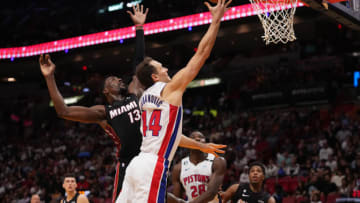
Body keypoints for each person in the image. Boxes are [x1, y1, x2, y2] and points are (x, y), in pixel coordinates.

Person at [116, 0, 231, 202]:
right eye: (161, 68)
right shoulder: (169, 90)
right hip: (152, 167)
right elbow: (201, 55)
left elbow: (170, 134)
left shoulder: (143, 97)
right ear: (155, 77)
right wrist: (215, 21)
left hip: (136, 165)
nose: (167, 69)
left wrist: (201, 146)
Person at [40, 5, 148, 203]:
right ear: (106, 90)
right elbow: (63, 111)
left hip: (148, 159)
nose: (119, 80)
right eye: (113, 79)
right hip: (127, 164)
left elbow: (140, 65)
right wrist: (49, 78)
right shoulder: (103, 112)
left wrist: (139, 29)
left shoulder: (135, 95)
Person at [172, 131, 227, 203]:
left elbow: (211, 193)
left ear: (206, 142)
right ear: (187, 142)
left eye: (201, 137)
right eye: (193, 138)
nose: (197, 139)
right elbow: (177, 198)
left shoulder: (217, 162)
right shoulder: (178, 168)